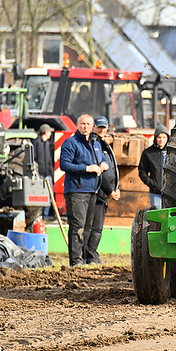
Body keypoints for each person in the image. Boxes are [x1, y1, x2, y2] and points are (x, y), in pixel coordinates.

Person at [60, 113, 109, 266]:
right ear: (77, 125)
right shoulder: (71, 143)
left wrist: (103, 164)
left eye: (88, 124)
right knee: (78, 227)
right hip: (76, 191)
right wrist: (87, 168)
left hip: (92, 191)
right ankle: (75, 261)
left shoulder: (95, 143)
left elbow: (102, 158)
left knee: (88, 228)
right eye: (83, 124)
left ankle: (86, 258)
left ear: (92, 126)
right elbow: (64, 165)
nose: (86, 126)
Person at [84, 116, 121, 264]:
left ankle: (91, 254)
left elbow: (112, 170)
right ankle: (90, 255)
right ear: (94, 127)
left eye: (104, 127)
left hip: (104, 192)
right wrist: (110, 191)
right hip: (99, 192)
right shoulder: (95, 144)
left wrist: (116, 187)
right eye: (99, 127)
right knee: (95, 227)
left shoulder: (104, 144)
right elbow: (101, 172)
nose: (102, 130)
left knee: (96, 227)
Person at [138, 124, 170, 209]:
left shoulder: (172, 153)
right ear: (155, 138)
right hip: (155, 193)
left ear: (167, 138)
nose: (161, 140)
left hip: (171, 193)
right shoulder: (148, 153)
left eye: (164, 137)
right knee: (158, 216)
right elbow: (142, 171)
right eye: (159, 137)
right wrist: (153, 184)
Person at [33, 123, 55, 220]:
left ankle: (45, 216)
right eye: (50, 132)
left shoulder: (47, 144)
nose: (50, 134)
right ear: (46, 132)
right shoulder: (36, 143)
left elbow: (49, 160)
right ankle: (40, 217)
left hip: (47, 175)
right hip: (40, 175)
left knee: (49, 197)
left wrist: (51, 173)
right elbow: (35, 159)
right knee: (40, 197)